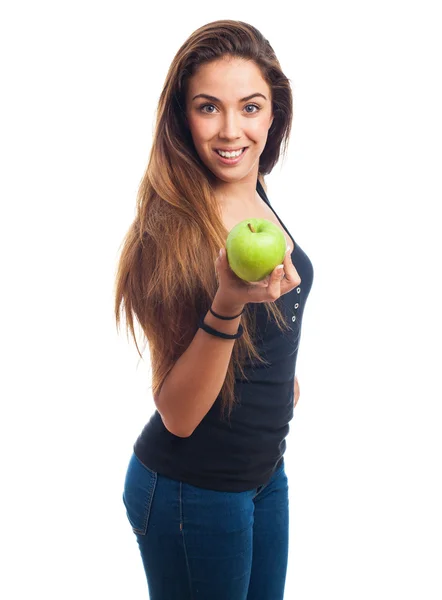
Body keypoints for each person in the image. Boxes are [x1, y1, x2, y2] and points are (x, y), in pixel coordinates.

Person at [114, 19, 314, 600]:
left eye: (250, 107)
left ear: (273, 112)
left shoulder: (255, 193)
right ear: (182, 116)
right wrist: (226, 304)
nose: (232, 130)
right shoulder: (171, 231)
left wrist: (279, 379)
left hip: (263, 476)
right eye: (208, 108)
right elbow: (177, 414)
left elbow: (272, 311)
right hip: (190, 491)